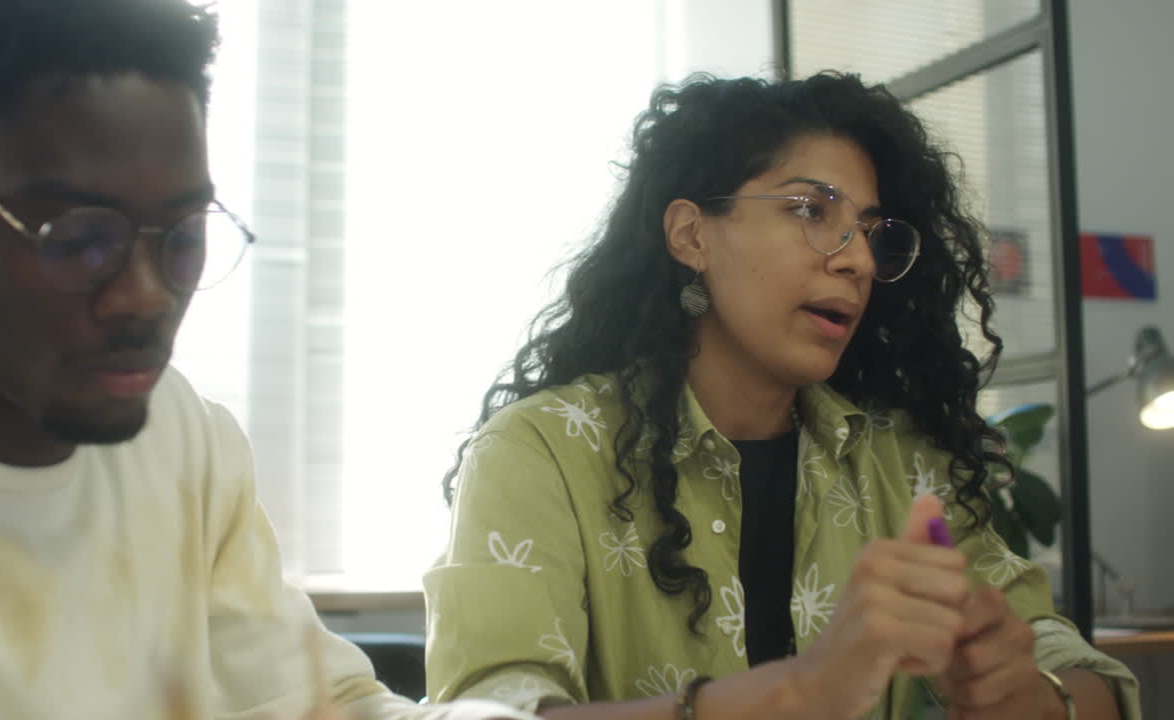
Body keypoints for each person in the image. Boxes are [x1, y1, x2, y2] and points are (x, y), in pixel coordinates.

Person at [424, 73, 1140, 720]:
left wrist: (1028, 697)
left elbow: (1081, 672)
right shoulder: (539, 453)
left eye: (870, 231)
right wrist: (799, 693)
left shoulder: (902, 463)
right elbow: (492, 709)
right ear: (691, 235)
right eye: (809, 209)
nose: (856, 259)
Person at [0, 1, 536, 719]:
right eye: (76, 239)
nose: (144, 296)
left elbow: (319, 708)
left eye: (184, 235)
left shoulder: (182, 437)